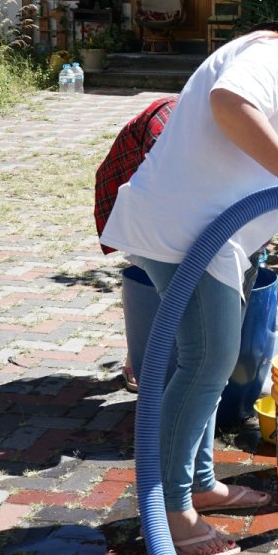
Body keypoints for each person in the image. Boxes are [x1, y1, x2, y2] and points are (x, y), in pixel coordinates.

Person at [100, 11, 278, 555]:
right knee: (206, 364)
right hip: (189, 235)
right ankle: (173, 509)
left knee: (204, 364)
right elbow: (229, 103)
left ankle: (200, 482)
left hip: (216, 238)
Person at [94, 95, 178, 392]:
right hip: (135, 181)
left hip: (172, 186)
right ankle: (139, 358)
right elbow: (157, 202)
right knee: (151, 266)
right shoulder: (167, 128)